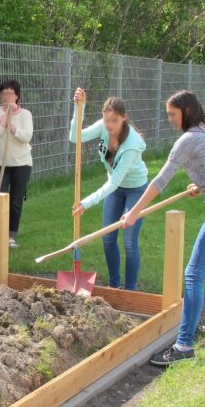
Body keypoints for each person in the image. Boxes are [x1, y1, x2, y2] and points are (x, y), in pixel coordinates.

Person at [119, 90, 205, 366]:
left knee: (193, 273)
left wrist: (134, 212)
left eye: (172, 114)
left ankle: (184, 346)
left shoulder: (187, 140)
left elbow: (160, 180)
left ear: (186, 112)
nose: (170, 120)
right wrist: (202, 184)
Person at [69, 90, 149, 290]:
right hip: (115, 189)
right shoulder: (104, 127)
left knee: (129, 242)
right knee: (108, 239)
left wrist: (85, 203)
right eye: (106, 120)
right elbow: (75, 137)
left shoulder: (131, 145)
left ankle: (130, 290)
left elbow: (113, 182)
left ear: (123, 118)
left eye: (114, 120)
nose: (109, 125)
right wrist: (79, 107)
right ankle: (114, 287)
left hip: (135, 190)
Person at [0, 79, 34, 247]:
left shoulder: (25, 114)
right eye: (4, 93)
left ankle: (10, 235)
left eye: (10, 93)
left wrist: (12, 125)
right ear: (0, 95)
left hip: (21, 163)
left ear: (17, 96)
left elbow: (26, 136)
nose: (7, 96)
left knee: (15, 200)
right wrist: (6, 115)